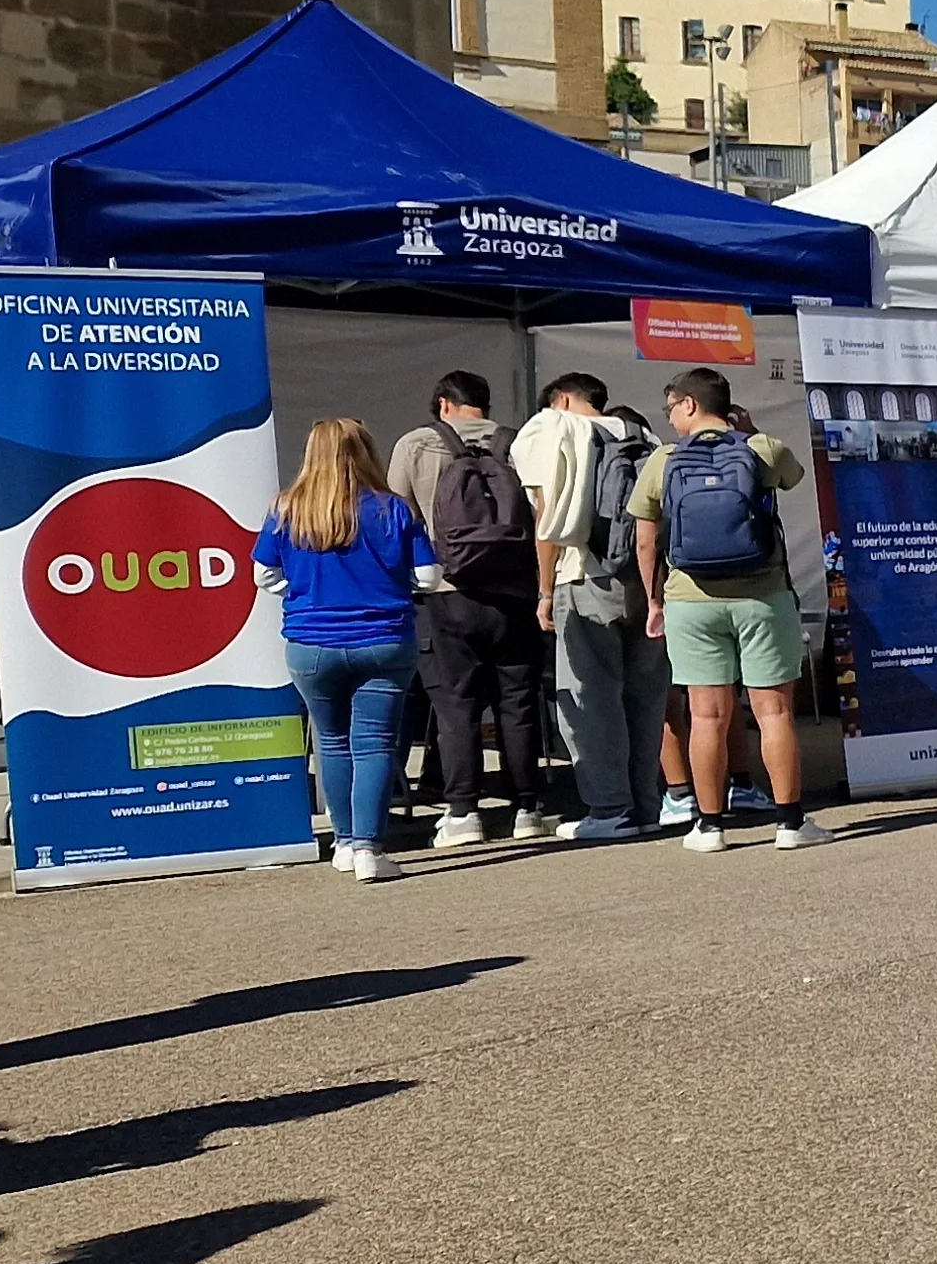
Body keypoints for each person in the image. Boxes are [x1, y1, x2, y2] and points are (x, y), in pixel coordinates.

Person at [629, 366, 832, 854]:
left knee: (706, 717)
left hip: (691, 601)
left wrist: (655, 601)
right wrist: (751, 430)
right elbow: (794, 476)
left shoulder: (664, 459)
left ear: (691, 405)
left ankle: (709, 826)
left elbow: (645, 541)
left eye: (672, 407)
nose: (671, 416)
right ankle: (790, 824)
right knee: (774, 712)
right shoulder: (760, 450)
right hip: (763, 597)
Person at [256, 418, 437, 883]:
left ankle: (343, 842)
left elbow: (263, 575)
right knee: (375, 743)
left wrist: (303, 591)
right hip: (385, 639)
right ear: (366, 453)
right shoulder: (394, 509)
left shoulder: (286, 509)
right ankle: (370, 850)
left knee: (330, 743)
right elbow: (429, 577)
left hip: (311, 643)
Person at [389, 370, 549, 846]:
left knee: (455, 705)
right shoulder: (517, 443)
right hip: (515, 594)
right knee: (517, 703)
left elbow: (398, 517)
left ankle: (463, 812)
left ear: (443, 404)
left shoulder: (416, 444)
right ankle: (528, 808)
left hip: (444, 595)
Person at [512, 372, 667, 841]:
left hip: (585, 575)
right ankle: (645, 805)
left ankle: (609, 809)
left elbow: (547, 517)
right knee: (645, 698)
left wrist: (543, 591)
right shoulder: (643, 434)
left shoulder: (552, 428)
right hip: (645, 579)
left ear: (560, 400)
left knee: (590, 698)